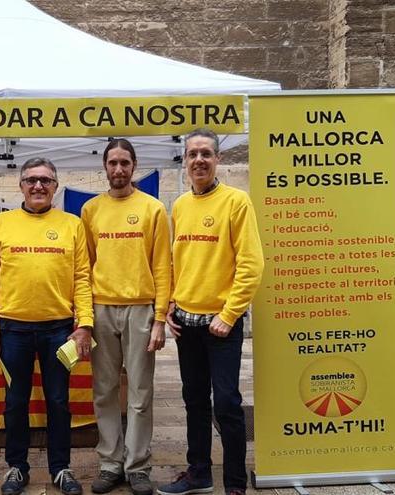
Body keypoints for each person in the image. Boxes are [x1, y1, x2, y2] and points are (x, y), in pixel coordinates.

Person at [157, 128, 264, 495]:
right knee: (194, 401)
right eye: (192, 154)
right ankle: (198, 472)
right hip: (187, 324)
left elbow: (251, 265)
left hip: (222, 326)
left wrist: (230, 314)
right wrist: (171, 304)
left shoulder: (237, 202)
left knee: (228, 404)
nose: (199, 160)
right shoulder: (181, 205)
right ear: (185, 162)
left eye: (206, 153)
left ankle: (234, 483)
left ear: (218, 159)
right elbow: (176, 261)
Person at [0, 157, 94, 495]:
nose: (38, 186)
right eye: (31, 180)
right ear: (21, 185)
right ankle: (17, 467)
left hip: (59, 330)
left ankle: (61, 468)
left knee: (59, 401)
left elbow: (83, 278)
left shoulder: (72, 224)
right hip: (12, 331)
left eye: (45, 180)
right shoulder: (1, 223)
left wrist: (84, 324)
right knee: (15, 402)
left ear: (55, 186)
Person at [81, 139, 171, 495]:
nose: (118, 169)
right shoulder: (90, 210)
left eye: (125, 163)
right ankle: (109, 463)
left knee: (140, 391)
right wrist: (84, 317)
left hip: (140, 309)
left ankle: (137, 466)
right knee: (103, 391)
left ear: (135, 166)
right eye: (112, 163)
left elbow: (163, 265)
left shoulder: (152, 209)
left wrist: (160, 317)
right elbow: (84, 266)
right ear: (104, 167)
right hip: (101, 308)